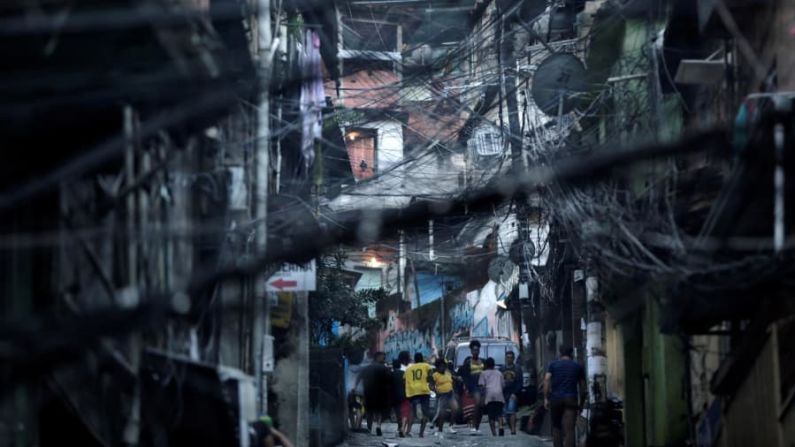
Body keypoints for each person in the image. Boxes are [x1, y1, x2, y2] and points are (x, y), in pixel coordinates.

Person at [544, 345, 587, 447]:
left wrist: (546, 398)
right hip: (571, 399)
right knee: (570, 429)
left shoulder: (553, 365)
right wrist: (581, 403)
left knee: (556, 427)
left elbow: (546, 380)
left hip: (556, 399)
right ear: (571, 354)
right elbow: (583, 387)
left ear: (560, 353)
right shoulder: (577, 366)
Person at [355, 351, 392, 436]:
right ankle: (378, 426)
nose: (384, 358)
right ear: (378, 357)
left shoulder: (367, 368)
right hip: (380, 393)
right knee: (379, 411)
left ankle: (369, 427)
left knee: (369, 411)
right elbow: (389, 380)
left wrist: (355, 387)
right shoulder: (384, 368)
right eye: (383, 357)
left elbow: (359, 377)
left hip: (369, 392)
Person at [457, 339, 485, 433]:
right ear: (471, 351)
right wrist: (466, 387)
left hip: (482, 386)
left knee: (481, 406)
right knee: (477, 403)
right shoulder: (468, 362)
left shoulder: (483, 361)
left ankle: (477, 427)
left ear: (479, 350)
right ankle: (473, 425)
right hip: (473, 386)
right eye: (474, 350)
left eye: (477, 350)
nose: (475, 352)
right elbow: (463, 375)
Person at [404, 352, 433, 437]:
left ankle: (408, 431)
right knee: (425, 413)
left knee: (412, 412)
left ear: (414, 360)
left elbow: (404, 379)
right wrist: (431, 384)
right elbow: (430, 376)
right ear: (422, 359)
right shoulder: (426, 365)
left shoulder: (409, 369)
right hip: (423, 391)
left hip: (412, 392)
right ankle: (421, 433)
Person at [478, 357, 505, 436]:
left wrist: (482, 396)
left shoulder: (483, 373)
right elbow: (503, 385)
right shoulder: (499, 373)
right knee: (500, 414)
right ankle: (500, 426)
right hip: (499, 395)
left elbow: (482, 386)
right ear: (494, 364)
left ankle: (494, 433)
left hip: (489, 396)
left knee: (491, 416)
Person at [430, 359, 458, 435]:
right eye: (441, 366)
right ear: (437, 367)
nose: (442, 368)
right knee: (441, 413)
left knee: (455, 408)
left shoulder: (447, 373)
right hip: (442, 395)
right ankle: (440, 429)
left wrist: (457, 378)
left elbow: (453, 378)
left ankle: (450, 426)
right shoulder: (435, 375)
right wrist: (435, 390)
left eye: (444, 366)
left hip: (450, 394)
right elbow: (431, 385)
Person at [501, 350, 523, 435]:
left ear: (513, 358)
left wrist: (515, 393)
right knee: (506, 414)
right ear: (505, 358)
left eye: (511, 357)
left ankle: (513, 430)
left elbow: (520, 382)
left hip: (513, 393)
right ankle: (511, 428)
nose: (509, 359)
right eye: (508, 357)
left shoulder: (517, 368)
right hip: (504, 394)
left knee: (512, 411)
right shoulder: (502, 369)